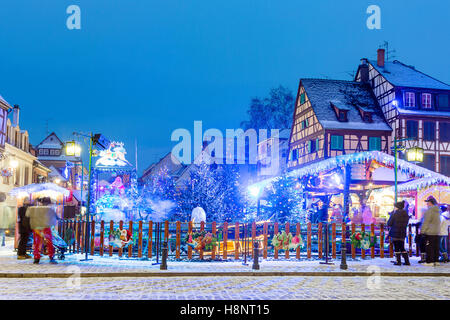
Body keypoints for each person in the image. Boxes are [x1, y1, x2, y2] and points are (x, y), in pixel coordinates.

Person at [26, 197, 58, 264]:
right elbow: (56, 217)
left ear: (41, 202)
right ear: (49, 203)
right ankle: (51, 257)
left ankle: (36, 258)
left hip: (36, 227)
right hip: (46, 227)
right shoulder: (50, 209)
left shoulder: (35, 208)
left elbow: (27, 215)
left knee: (37, 242)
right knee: (49, 242)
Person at [387, 200, 410, 265]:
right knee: (402, 247)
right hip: (402, 233)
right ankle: (407, 261)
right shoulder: (406, 215)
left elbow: (389, 223)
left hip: (395, 233)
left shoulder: (395, 214)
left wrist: (391, 215)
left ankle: (398, 261)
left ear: (397, 207)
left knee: (396, 247)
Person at [421, 196, 441, 266]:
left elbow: (426, 222)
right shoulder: (438, 211)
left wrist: (422, 231)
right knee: (436, 247)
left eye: (428, 202)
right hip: (437, 231)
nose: (427, 204)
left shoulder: (429, 211)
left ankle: (429, 261)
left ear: (430, 203)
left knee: (429, 247)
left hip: (430, 232)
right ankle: (436, 260)